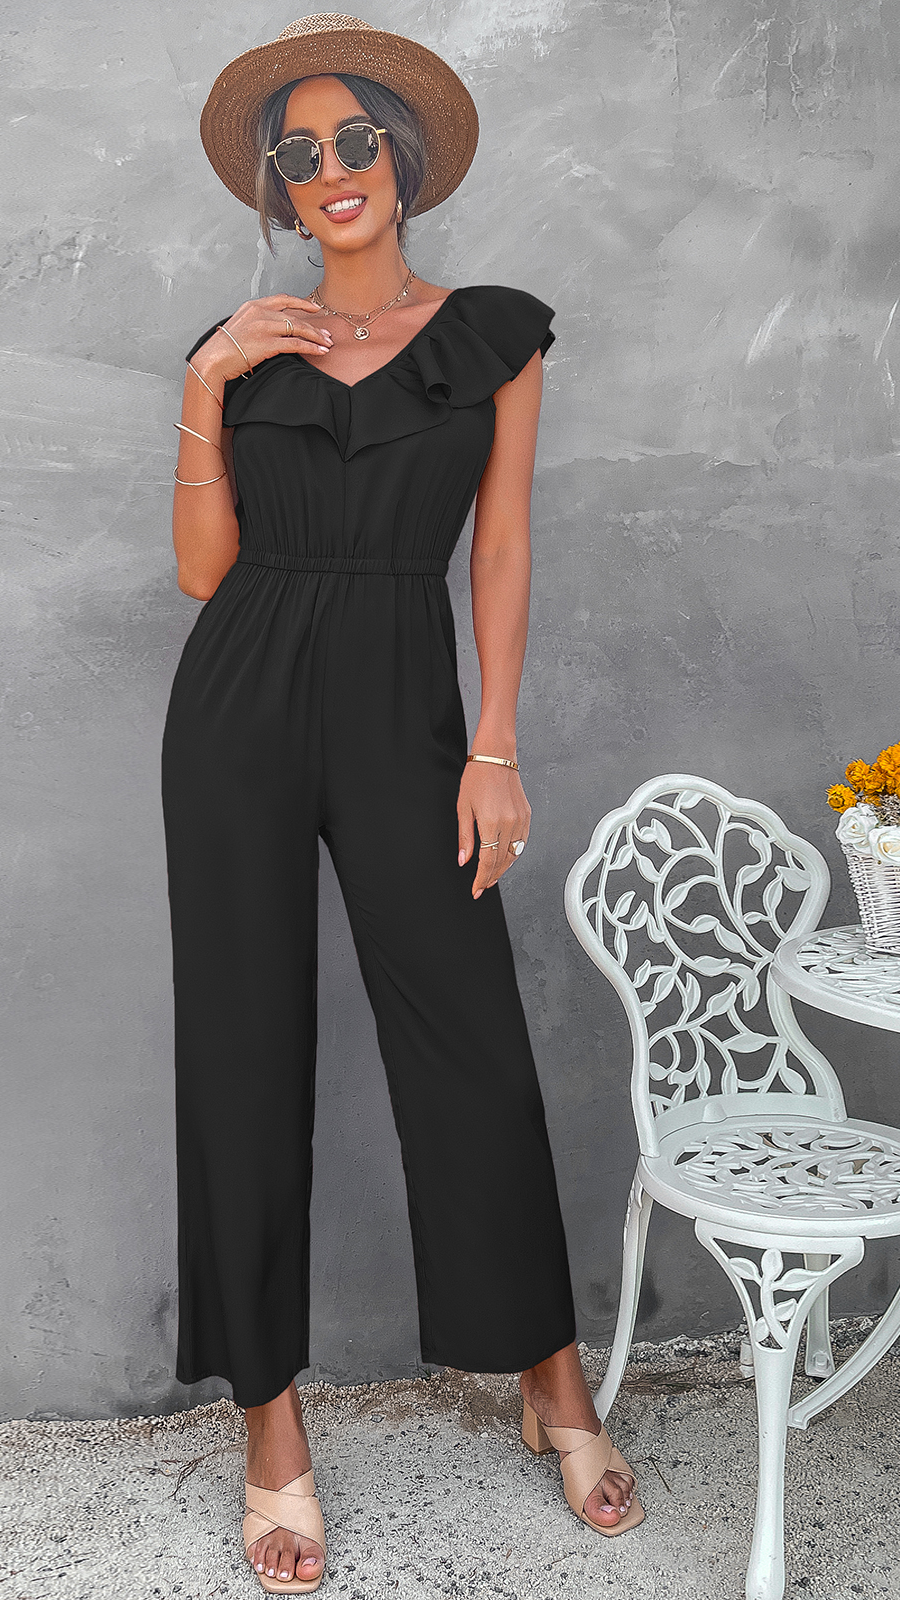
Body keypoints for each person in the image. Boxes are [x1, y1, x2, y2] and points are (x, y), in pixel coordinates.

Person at [162, 15, 644, 1592]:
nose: (330, 169)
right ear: (278, 190)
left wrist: (492, 745)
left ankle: (550, 1382)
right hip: (239, 704)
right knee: (241, 1052)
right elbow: (205, 573)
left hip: (404, 708)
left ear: (403, 159)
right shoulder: (240, 346)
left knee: (470, 1042)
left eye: (353, 139)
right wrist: (207, 385)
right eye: (297, 153)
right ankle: (270, 1429)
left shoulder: (492, 335)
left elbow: (499, 547)